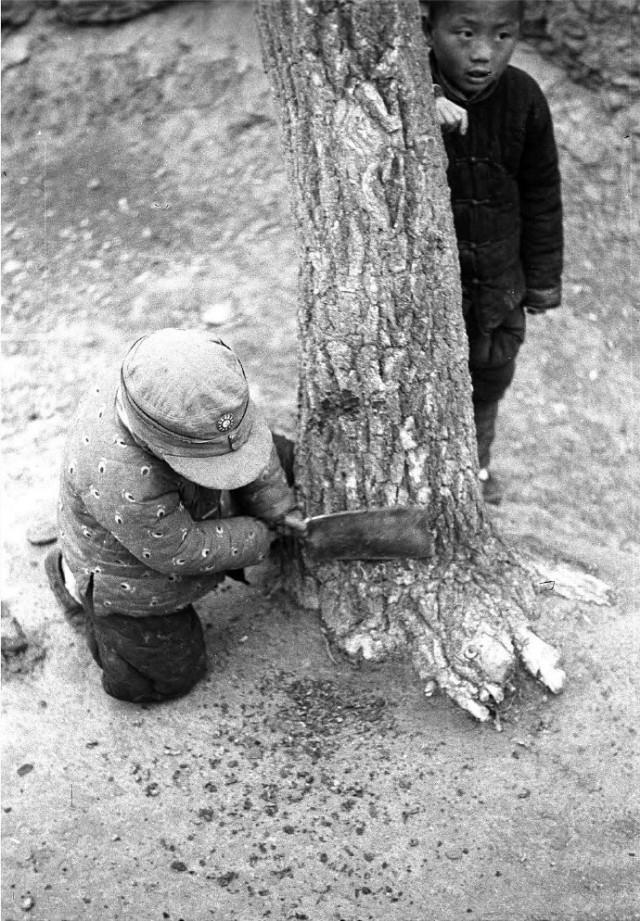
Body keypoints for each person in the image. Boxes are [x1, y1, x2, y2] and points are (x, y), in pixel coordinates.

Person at [45, 328, 301, 703]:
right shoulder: (120, 473)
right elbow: (178, 549)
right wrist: (262, 535)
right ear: (150, 440)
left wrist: (278, 506)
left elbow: (250, 442)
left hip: (183, 507)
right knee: (165, 676)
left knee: (282, 453)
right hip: (132, 575)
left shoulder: (213, 396)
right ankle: (73, 581)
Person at [422, 0, 563, 503]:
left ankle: (476, 465)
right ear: (429, 28)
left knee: (490, 376)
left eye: (502, 36)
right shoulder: (408, 90)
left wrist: (542, 282)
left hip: (500, 283)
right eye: (464, 34)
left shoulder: (523, 96)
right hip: (435, 293)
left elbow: (542, 193)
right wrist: (422, 101)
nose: (483, 54)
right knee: (429, 382)